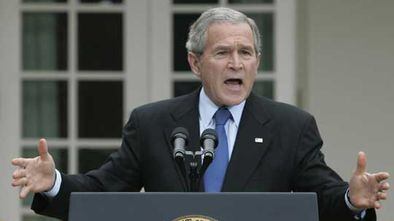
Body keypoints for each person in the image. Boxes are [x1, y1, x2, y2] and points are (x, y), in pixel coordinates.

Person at [11, 7, 389, 221]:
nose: (236, 64)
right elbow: (102, 192)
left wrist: (352, 199)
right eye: (223, 53)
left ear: (258, 61)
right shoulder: (152, 122)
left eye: (246, 53)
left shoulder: (291, 126)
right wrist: (55, 183)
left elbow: (322, 198)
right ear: (195, 62)